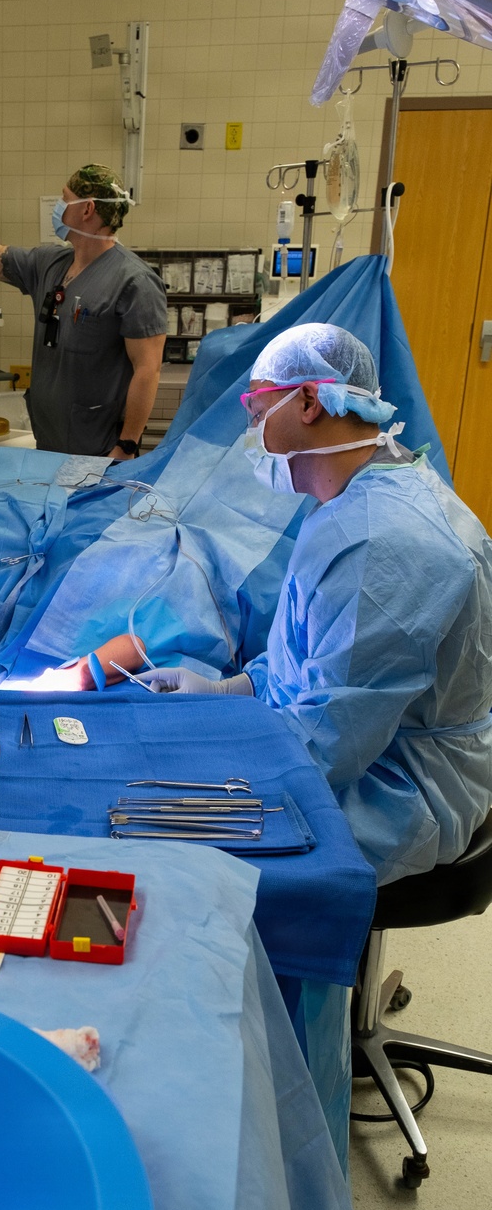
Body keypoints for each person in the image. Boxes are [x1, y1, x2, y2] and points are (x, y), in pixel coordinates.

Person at [142, 323, 492, 886]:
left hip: (401, 790)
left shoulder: (383, 539)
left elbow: (328, 745)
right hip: (361, 751)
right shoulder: (356, 496)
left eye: (257, 410)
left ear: (307, 401)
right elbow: (311, 656)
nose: (252, 431)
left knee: (177, 847)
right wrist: (229, 690)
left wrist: (202, 760)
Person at [0, 162, 167, 460]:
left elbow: (148, 370)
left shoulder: (135, 281)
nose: (59, 206)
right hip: (48, 441)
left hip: (99, 449)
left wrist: (126, 446)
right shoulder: (50, 264)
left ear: (87, 209)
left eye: (65, 198)